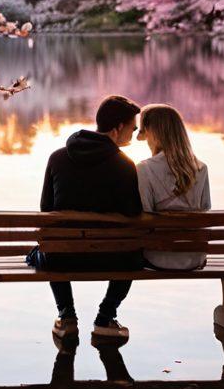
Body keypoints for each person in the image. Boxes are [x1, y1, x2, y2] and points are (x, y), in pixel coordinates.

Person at [36, 94, 143, 342]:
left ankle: (67, 315)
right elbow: (133, 214)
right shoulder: (125, 166)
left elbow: (46, 209)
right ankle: (105, 317)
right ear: (117, 129)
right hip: (115, 259)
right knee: (133, 251)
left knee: (49, 244)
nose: (134, 132)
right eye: (132, 127)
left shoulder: (57, 157)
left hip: (62, 258)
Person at [135, 104, 211, 270]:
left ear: (152, 133)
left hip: (158, 256)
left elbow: (145, 215)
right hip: (194, 257)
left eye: (145, 134)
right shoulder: (201, 168)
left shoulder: (144, 169)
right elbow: (205, 211)